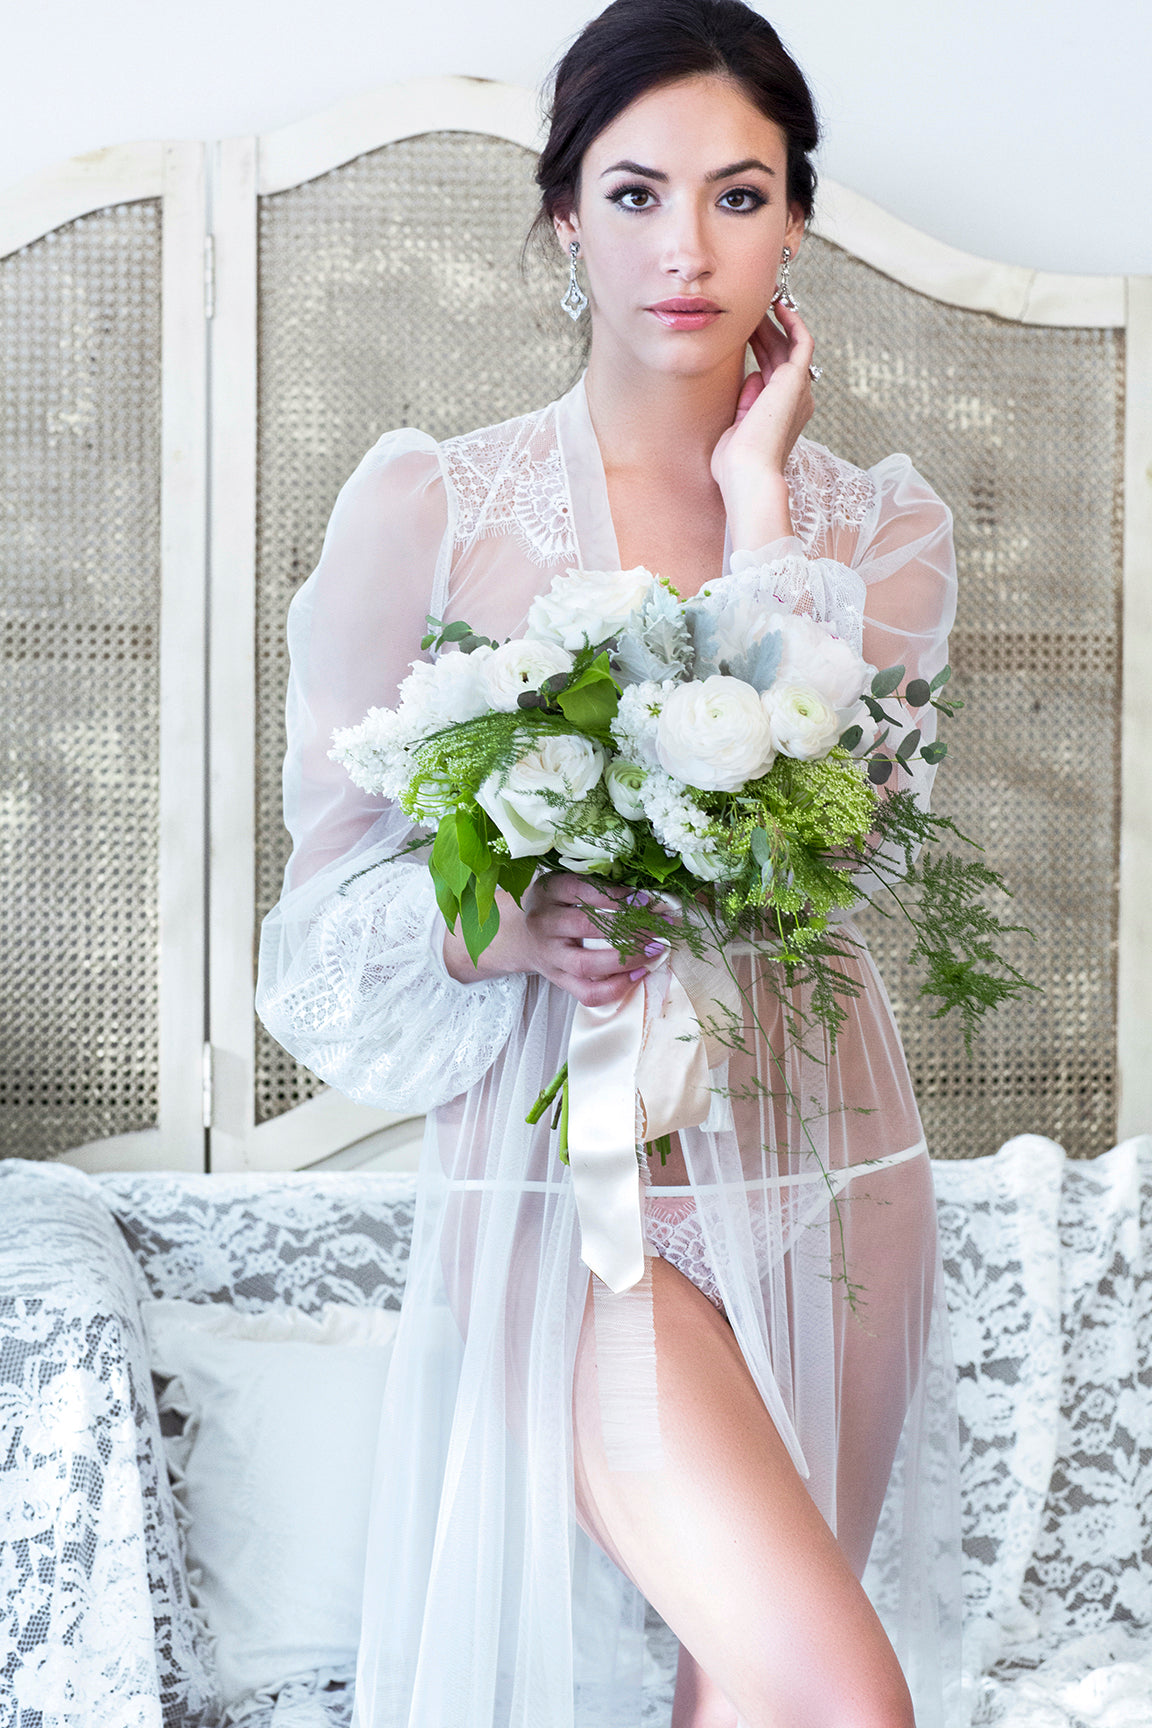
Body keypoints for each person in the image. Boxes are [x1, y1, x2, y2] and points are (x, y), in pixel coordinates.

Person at [256, 2, 964, 1723]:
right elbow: (319, 935)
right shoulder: (434, 504)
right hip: (583, 1209)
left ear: (798, 218)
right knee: (839, 1694)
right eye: (637, 194)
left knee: (746, 1690)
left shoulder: (882, 531)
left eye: (740, 195)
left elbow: (842, 851)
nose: (687, 247)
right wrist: (513, 919)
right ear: (564, 213)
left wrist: (762, 500)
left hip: (830, 1177)